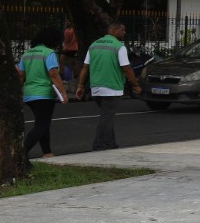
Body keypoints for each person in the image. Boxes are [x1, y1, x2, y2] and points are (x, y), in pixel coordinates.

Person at [77, 22, 139, 151]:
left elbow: (85, 67)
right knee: (106, 117)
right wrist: (136, 84)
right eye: (123, 30)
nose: (124, 32)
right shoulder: (119, 46)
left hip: (96, 87)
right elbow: (126, 68)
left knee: (107, 115)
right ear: (114, 30)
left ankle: (111, 143)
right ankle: (98, 144)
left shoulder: (94, 45)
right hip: (112, 87)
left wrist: (80, 86)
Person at [18, 26, 68, 159]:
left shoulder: (27, 54)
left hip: (29, 94)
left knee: (42, 123)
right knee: (42, 125)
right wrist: (63, 93)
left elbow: (21, 76)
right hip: (44, 93)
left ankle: (47, 152)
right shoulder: (49, 53)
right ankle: (21, 153)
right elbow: (54, 75)